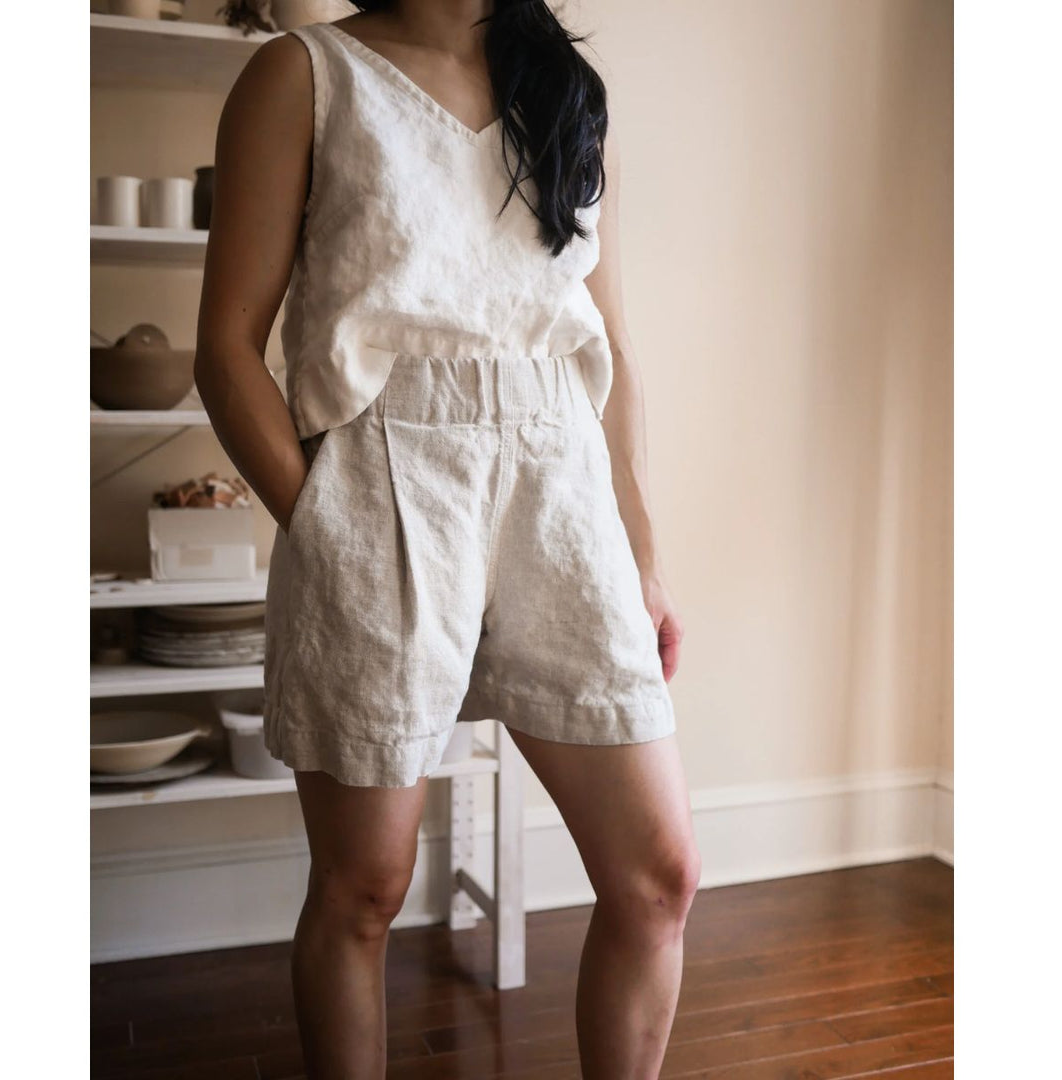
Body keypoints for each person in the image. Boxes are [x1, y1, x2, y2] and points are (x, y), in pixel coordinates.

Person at [194, 1, 701, 1076]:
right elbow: (227, 347)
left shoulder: (564, 91)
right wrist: (326, 524)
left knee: (659, 876)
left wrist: (641, 555)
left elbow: (608, 343)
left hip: (561, 484)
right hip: (384, 476)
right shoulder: (305, 74)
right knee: (364, 890)